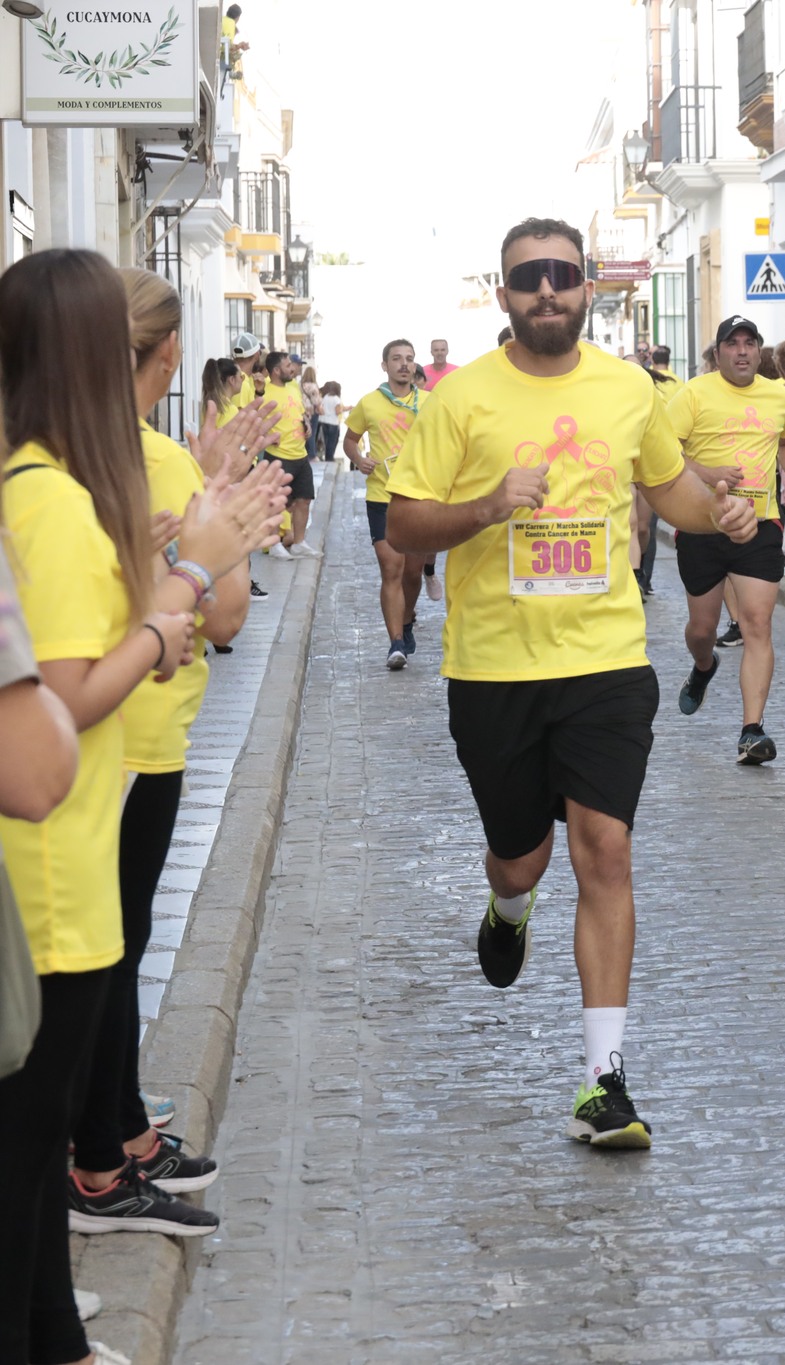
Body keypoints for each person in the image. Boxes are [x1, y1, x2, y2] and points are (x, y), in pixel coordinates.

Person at [384, 218, 760, 1149]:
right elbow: (404, 521)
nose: (546, 291)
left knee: (605, 849)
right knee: (525, 857)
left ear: (587, 285)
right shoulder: (461, 399)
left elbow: (668, 488)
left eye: (562, 275)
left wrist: (723, 511)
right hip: (495, 667)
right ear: (502, 290)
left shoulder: (630, 389)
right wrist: (486, 505)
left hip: (604, 659)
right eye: (527, 278)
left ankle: (603, 1081)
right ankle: (508, 904)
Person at [0, 249, 285, 1365]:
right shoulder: (53, 504)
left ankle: (57, 1335)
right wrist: (178, 598)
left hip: (56, 862)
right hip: (53, 872)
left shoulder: (38, 484)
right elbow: (66, 700)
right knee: (27, 1149)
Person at [66, 268, 273, 1240]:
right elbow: (226, 613)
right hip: (130, 733)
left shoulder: (59, 455)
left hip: (113, 731)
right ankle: (99, 1160)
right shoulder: (135, 460)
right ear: (160, 361)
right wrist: (212, 526)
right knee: (107, 955)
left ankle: (118, 1134)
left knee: (104, 953)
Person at [668, 316, 785, 763]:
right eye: (733, 344)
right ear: (718, 353)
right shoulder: (693, 393)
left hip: (760, 524)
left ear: (759, 351)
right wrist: (706, 474)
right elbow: (663, 451)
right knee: (702, 630)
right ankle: (704, 666)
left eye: (750, 343)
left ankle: (752, 730)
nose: (743, 351)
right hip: (702, 525)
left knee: (757, 625)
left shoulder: (777, 394)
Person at [344, 339, 429, 668]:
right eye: (396, 359)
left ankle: (406, 622)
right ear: (385, 366)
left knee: (413, 572)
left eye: (409, 359)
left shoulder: (430, 403)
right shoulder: (369, 403)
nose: (403, 364)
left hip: (420, 496)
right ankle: (395, 642)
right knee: (391, 569)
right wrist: (359, 459)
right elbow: (351, 440)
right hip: (382, 496)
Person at [256, 349, 318, 560]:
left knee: (304, 499)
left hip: (300, 454)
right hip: (279, 455)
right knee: (276, 501)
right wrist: (266, 434)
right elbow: (256, 419)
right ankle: (274, 545)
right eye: (287, 365)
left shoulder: (293, 387)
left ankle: (299, 542)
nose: (292, 368)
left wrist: (307, 424)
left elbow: (300, 413)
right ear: (275, 370)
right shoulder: (265, 392)